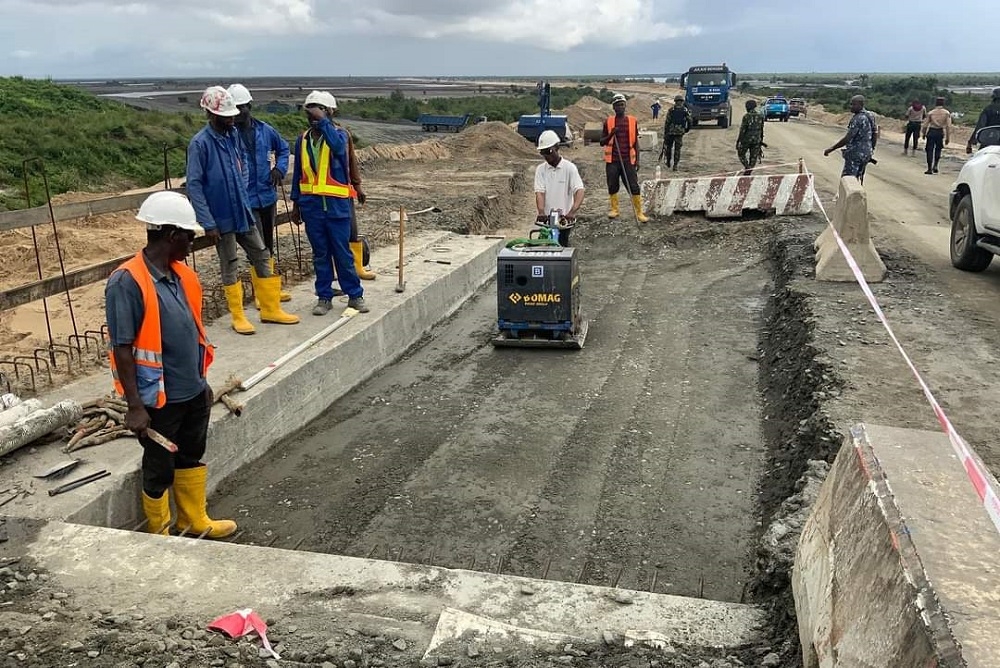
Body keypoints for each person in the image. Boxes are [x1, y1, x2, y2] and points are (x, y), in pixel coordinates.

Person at [105, 191, 236, 539]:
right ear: (170, 234)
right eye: (188, 236)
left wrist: (200, 381)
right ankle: (160, 533)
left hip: (192, 389)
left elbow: (191, 331)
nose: (192, 242)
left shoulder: (181, 276)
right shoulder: (127, 281)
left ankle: (193, 520)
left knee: (191, 454)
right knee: (159, 467)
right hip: (159, 398)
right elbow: (121, 348)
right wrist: (135, 406)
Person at [187, 86, 299, 335]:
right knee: (230, 263)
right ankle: (237, 316)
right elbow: (194, 185)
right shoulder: (200, 144)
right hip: (221, 216)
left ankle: (270, 308)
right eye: (226, 115)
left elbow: (243, 165)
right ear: (211, 115)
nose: (232, 119)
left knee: (261, 253)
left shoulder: (233, 135)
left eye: (233, 114)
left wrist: (245, 195)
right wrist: (208, 222)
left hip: (242, 210)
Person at [290, 91, 370, 315]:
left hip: (336, 208)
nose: (314, 114)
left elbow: (338, 150)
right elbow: (298, 175)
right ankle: (324, 297)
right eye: (311, 109)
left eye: (319, 109)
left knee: (342, 254)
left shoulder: (339, 135)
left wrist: (324, 123)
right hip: (312, 208)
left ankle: (355, 295)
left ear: (330, 112)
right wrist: (296, 205)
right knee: (320, 254)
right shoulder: (303, 139)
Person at [227, 83, 293, 306]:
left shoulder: (265, 130)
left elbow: (283, 148)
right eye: (234, 109)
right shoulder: (229, 135)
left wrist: (280, 169)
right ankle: (261, 293)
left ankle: (269, 287)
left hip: (267, 196)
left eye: (241, 108)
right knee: (258, 247)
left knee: (269, 243)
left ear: (249, 106)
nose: (238, 113)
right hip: (246, 200)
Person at [599, 93, 648, 222]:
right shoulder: (608, 122)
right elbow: (602, 142)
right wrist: (611, 134)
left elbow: (635, 142)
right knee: (612, 185)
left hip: (628, 160)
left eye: (622, 104)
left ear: (625, 105)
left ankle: (639, 212)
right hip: (613, 161)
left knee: (633, 186)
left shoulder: (632, 121)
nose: (620, 107)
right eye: (618, 105)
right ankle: (615, 209)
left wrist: (637, 160)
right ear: (613, 107)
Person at [533, 130, 585, 247]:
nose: (546, 155)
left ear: (557, 147)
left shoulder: (569, 168)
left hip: (564, 221)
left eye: (548, 151)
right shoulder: (541, 170)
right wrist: (541, 211)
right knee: (546, 250)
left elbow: (579, 191)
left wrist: (572, 212)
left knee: (563, 248)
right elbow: (540, 193)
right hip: (547, 222)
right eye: (543, 152)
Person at [823, 95, 875, 181]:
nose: (851, 106)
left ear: (860, 105)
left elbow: (848, 138)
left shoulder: (858, 118)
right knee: (857, 179)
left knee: (848, 181)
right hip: (866, 153)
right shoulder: (870, 116)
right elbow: (875, 134)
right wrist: (871, 149)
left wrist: (832, 148)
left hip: (855, 153)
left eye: (853, 104)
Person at [921, 96, 952, 175]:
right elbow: (948, 126)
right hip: (940, 132)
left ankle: (929, 168)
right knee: (938, 149)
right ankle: (935, 165)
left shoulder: (931, 113)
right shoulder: (946, 113)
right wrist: (948, 137)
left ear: (935, 103)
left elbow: (925, 125)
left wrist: (923, 134)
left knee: (929, 150)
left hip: (931, 131)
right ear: (943, 103)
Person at [661, 95, 692, 171]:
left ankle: (668, 162)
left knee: (669, 148)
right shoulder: (685, 110)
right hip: (679, 133)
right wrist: (687, 129)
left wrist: (665, 133)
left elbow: (667, 122)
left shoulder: (671, 110)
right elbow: (690, 121)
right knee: (677, 150)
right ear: (682, 102)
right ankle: (675, 165)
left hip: (670, 132)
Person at [967, 87, 1000, 154]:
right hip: (992, 140)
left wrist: (971, 142)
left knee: (980, 158)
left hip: (990, 140)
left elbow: (980, 126)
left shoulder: (988, 109)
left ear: (994, 97)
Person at [736, 99, 765, 173]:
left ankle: (747, 168)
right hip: (756, 140)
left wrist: (739, 141)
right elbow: (761, 129)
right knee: (753, 157)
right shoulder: (760, 116)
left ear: (747, 107)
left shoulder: (746, 116)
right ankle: (750, 169)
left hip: (746, 140)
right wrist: (761, 140)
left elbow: (742, 130)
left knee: (741, 154)